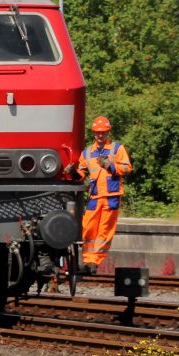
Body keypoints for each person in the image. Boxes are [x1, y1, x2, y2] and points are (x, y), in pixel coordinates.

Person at [66, 115, 132, 274]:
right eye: (97, 132)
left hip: (111, 196)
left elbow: (127, 168)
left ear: (108, 132)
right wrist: (73, 172)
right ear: (94, 133)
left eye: (103, 132)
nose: (100, 136)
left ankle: (95, 262)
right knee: (88, 228)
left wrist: (111, 166)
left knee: (103, 231)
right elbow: (81, 174)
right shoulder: (87, 153)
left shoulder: (117, 149)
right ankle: (88, 261)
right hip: (95, 196)